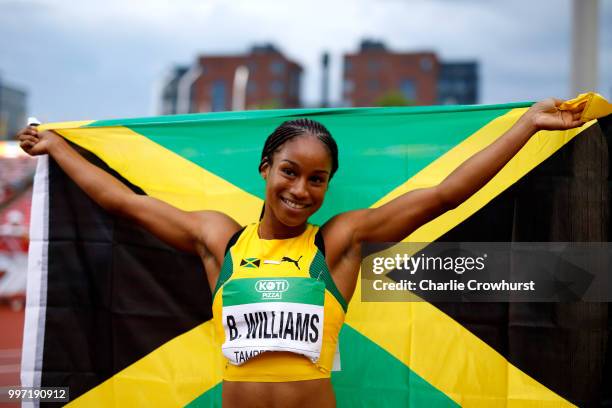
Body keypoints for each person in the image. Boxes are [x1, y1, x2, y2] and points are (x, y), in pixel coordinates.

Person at [17, 98, 585, 407]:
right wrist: (58, 148)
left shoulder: (338, 242)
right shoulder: (220, 240)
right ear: (265, 169)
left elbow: (443, 194)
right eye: (290, 172)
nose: (300, 190)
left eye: (317, 180)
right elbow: (122, 202)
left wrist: (529, 126)